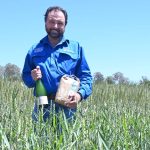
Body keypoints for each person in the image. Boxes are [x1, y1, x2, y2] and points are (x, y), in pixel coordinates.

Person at [22, 6, 93, 123]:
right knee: (40, 139)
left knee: (66, 140)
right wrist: (33, 78)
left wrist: (79, 96)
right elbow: (26, 77)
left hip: (67, 105)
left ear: (65, 25)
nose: (55, 26)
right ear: (45, 22)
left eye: (60, 23)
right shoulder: (34, 50)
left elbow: (86, 77)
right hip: (42, 102)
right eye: (51, 22)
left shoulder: (76, 48)